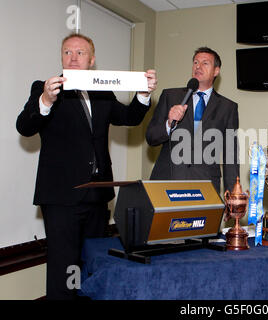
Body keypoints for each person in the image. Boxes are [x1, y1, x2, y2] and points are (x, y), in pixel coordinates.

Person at [16, 33, 157, 300]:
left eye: (80, 53)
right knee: (63, 269)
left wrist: (143, 94)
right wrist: (45, 102)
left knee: (91, 266)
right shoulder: (45, 89)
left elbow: (128, 118)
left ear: (91, 60)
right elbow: (24, 126)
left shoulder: (102, 91)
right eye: (67, 52)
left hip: (97, 195)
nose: (73, 57)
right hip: (61, 197)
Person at [146, 47, 239, 193]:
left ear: (216, 71)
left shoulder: (228, 107)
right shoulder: (171, 96)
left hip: (205, 185)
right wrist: (169, 124)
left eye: (205, 63)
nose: (198, 66)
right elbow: (151, 137)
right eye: (195, 62)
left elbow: (230, 154)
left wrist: (233, 193)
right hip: (168, 181)